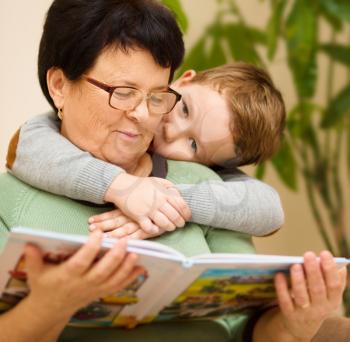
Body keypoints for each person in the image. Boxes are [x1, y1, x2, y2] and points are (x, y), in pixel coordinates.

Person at [0, 0, 346, 341]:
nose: (143, 114)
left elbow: (245, 327)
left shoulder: (207, 185)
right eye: (123, 92)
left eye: (156, 96)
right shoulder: (12, 194)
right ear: (59, 86)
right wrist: (49, 307)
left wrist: (293, 325)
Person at [7, 63, 286, 238]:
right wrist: (123, 187)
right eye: (185, 109)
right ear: (184, 80)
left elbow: (270, 209)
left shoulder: (199, 176)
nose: (172, 130)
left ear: (213, 165)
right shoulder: (102, 117)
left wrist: (164, 202)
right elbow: (24, 145)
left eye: (193, 145)